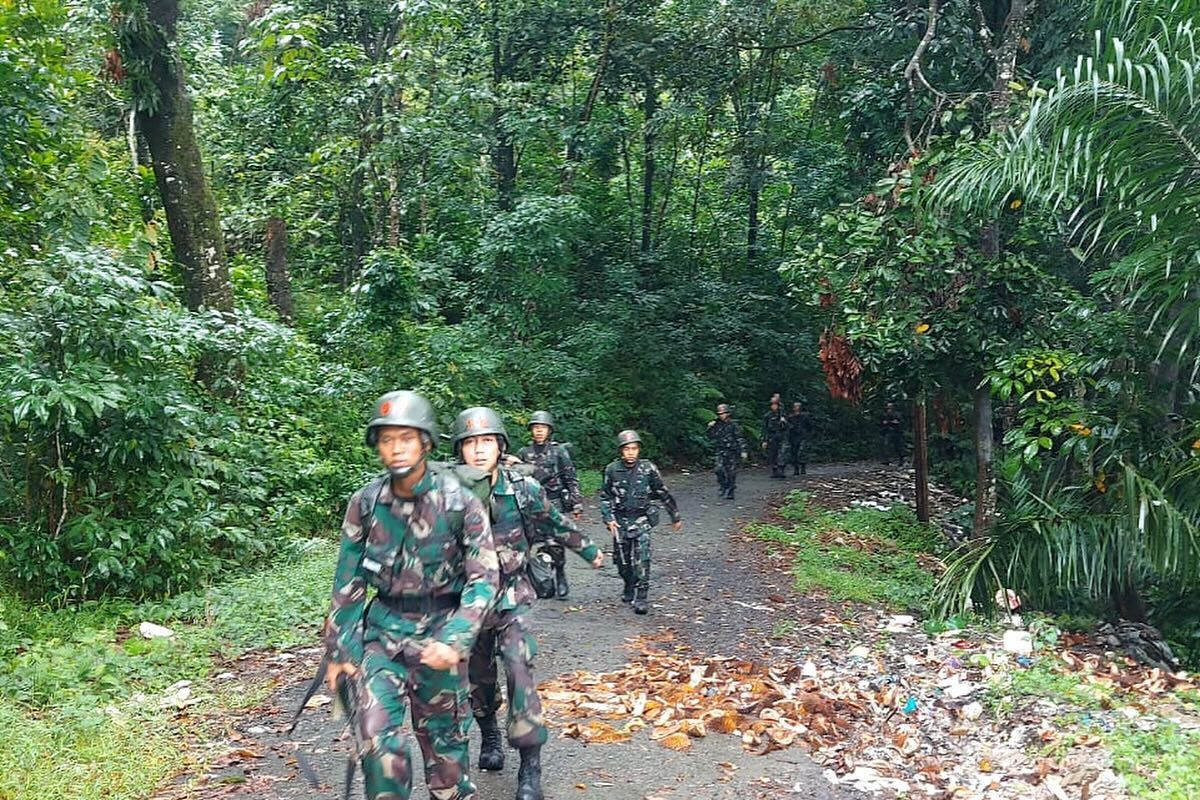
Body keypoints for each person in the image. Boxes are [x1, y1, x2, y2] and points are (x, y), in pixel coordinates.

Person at [323, 391, 499, 800]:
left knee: (447, 759)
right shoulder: (366, 503)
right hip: (382, 638)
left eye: (406, 437)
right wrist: (339, 653)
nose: (396, 448)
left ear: (426, 442)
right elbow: (348, 584)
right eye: (387, 439)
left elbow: (484, 579)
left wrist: (455, 640)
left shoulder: (459, 502)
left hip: (439, 638)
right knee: (376, 741)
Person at [452, 407, 603, 800]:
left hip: (512, 599)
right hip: (467, 607)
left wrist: (588, 549)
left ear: (500, 446)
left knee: (520, 672)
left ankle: (530, 768)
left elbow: (554, 521)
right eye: (470, 443)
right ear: (460, 450)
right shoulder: (447, 496)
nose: (479, 450)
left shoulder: (522, 489)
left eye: (486, 441)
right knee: (479, 681)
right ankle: (489, 737)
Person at [599, 430, 681, 614]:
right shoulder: (612, 470)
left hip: (642, 519)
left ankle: (642, 596)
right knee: (622, 562)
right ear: (621, 451)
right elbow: (605, 496)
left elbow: (661, 492)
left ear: (639, 450)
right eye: (627, 449)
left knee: (642, 559)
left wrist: (674, 515)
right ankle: (628, 584)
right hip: (620, 521)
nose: (631, 452)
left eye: (634, 448)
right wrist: (608, 519)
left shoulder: (648, 469)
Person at [515, 410, 583, 599]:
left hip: (554, 502)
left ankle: (560, 574)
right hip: (531, 503)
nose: (539, 431)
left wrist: (576, 503)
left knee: (555, 542)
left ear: (549, 430)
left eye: (542, 428)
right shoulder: (524, 453)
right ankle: (544, 579)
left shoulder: (558, 451)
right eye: (536, 428)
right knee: (534, 544)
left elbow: (571, 477)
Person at [706, 403, 747, 499]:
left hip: (732, 451)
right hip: (721, 450)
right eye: (720, 413)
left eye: (723, 413)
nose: (721, 415)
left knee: (731, 472)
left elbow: (740, 438)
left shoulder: (734, 425)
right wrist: (710, 427)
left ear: (728, 413)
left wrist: (743, 451)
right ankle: (723, 486)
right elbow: (711, 436)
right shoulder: (717, 424)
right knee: (718, 469)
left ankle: (731, 490)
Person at [761, 395, 789, 479]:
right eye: (772, 405)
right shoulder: (768, 416)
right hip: (772, 436)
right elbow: (765, 428)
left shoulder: (783, 414)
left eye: (775, 404)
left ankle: (781, 470)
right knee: (773, 454)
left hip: (782, 436)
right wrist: (764, 440)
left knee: (782, 453)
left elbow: (788, 427)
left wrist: (784, 422)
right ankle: (774, 470)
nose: (774, 406)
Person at [786, 401, 812, 476]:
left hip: (802, 436)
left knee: (801, 452)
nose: (796, 408)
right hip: (793, 436)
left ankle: (803, 467)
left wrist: (807, 434)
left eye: (798, 406)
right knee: (794, 452)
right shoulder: (790, 417)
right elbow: (787, 426)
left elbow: (809, 426)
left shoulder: (805, 416)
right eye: (795, 406)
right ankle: (796, 468)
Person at [881, 401, 904, 465]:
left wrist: (889, 422)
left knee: (898, 446)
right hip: (888, 431)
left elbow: (898, 422)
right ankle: (887, 460)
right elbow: (883, 422)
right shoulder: (885, 414)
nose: (888, 409)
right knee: (886, 445)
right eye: (887, 408)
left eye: (890, 408)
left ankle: (901, 459)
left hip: (896, 432)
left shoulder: (897, 414)